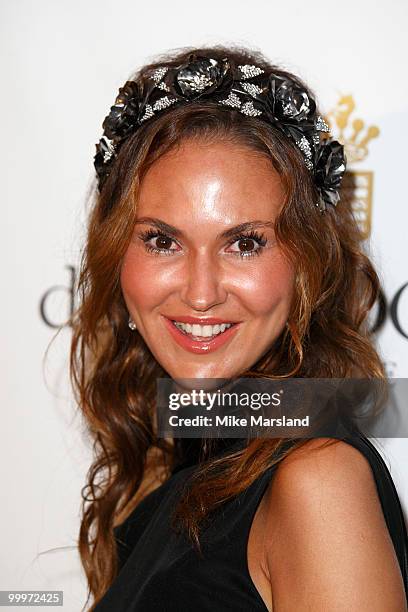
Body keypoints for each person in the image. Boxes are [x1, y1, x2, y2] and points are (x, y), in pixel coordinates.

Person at [70, 45, 408, 610]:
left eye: (244, 243)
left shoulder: (318, 480)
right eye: (162, 240)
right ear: (116, 260)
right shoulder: (182, 465)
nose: (201, 294)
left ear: (305, 266)